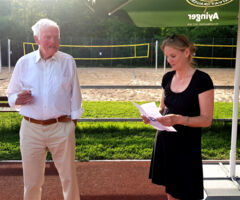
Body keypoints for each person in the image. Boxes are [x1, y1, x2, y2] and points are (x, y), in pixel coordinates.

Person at [7, 18, 83, 200]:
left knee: (69, 178)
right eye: (48, 37)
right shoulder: (23, 63)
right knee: (32, 182)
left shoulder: (68, 61)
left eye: (56, 37)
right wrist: (17, 98)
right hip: (31, 129)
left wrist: (71, 124)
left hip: (61, 127)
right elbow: (11, 93)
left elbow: (76, 95)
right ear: (36, 39)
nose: (53, 42)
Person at [142, 34, 214, 200]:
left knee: (186, 193)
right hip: (165, 143)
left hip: (187, 147)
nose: (169, 60)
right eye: (167, 56)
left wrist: (179, 119)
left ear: (187, 52)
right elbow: (162, 108)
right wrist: (151, 117)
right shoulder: (167, 77)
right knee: (171, 193)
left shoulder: (202, 80)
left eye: (173, 56)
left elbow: (206, 119)